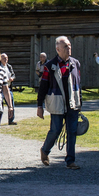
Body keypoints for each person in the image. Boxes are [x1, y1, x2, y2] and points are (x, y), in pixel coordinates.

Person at [36, 36, 83, 169]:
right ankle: (45, 150)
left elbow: (78, 85)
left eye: (69, 45)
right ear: (58, 49)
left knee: (72, 131)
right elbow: (43, 87)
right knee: (55, 130)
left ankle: (70, 161)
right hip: (57, 103)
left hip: (72, 103)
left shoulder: (75, 63)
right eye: (66, 46)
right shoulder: (50, 66)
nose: (69, 48)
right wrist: (39, 105)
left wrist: (80, 103)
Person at [0, 53, 17, 125]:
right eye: (4, 58)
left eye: (6, 58)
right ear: (0, 59)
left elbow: (13, 74)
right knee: (0, 106)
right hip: (0, 89)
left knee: (11, 104)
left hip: (8, 88)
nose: (5, 59)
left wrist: (12, 78)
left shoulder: (9, 66)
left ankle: (11, 120)